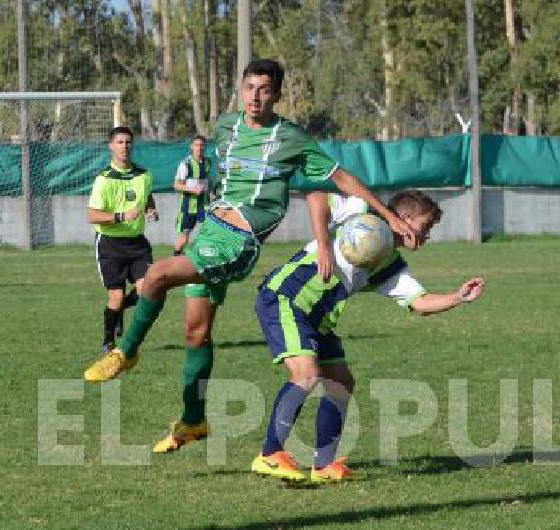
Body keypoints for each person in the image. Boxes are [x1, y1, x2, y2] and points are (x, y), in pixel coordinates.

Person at [82, 58, 415, 452]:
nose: (255, 96)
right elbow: (219, 182)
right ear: (240, 90)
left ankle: (126, 352)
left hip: (237, 244)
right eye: (249, 87)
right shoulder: (226, 127)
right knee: (196, 332)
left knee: (155, 275)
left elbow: (339, 178)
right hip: (209, 233)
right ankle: (193, 420)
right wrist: (197, 224)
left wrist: (388, 214)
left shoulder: (291, 138)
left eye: (264, 89)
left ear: (276, 94)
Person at [251, 190, 486, 483]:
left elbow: (420, 303)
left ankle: (324, 465)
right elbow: (317, 198)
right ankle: (269, 454)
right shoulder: (361, 212)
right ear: (405, 219)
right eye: (425, 227)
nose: (427, 236)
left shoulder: (389, 262)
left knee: (341, 381)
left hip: (318, 319)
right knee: (306, 374)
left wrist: (458, 297)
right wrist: (324, 245)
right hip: (286, 299)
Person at [87, 126, 159, 354]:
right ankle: (108, 340)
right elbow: (93, 215)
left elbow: (147, 196)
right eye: (120, 142)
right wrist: (120, 216)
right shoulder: (103, 180)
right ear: (111, 146)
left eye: (128, 142)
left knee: (148, 291)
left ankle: (119, 311)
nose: (125, 146)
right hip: (110, 244)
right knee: (116, 296)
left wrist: (150, 210)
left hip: (137, 244)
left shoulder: (143, 175)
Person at [173, 135, 213, 256]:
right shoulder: (185, 164)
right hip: (188, 206)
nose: (199, 148)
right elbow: (176, 185)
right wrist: (192, 189)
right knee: (184, 237)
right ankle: (176, 259)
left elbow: (207, 180)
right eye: (196, 145)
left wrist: (211, 192)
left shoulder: (208, 162)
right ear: (191, 147)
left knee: (211, 229)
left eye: (202, 145)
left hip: (204, 205)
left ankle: (205, 258)